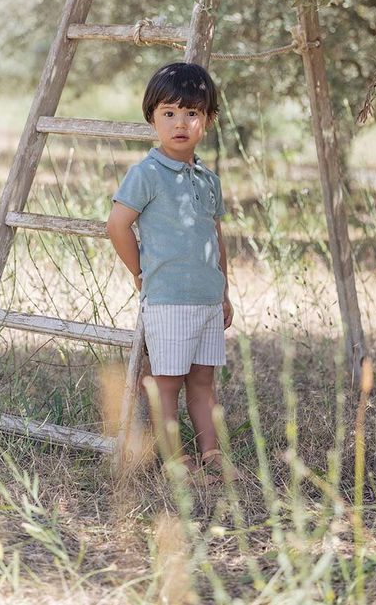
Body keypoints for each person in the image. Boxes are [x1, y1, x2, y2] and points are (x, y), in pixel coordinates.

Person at [107, 61, 233, 480]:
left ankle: (212, 455)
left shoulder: (209, 180)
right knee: (167, 384)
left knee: (203, 382)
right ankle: (176, 460)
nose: (181, 123)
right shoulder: (146, 174)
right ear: (153, 119)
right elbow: (118, 225)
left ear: (208, 121)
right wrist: (139, 272)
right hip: (169, 298)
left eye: (192, 113)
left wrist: (225, 292)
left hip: (206, 299)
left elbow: (215, 237)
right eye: (169, 113)